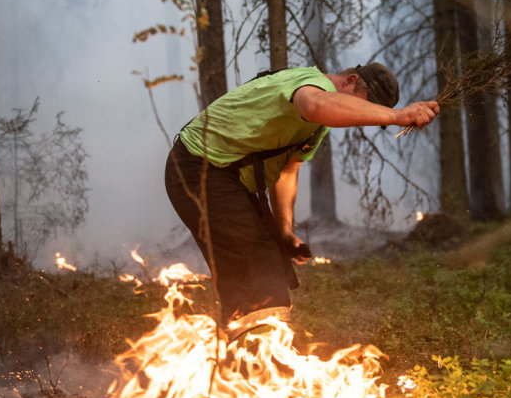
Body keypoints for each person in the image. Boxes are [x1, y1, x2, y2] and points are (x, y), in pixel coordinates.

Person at [164, 63, 439, 336]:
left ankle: (257, 351)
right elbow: (315, 105)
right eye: (362, 107)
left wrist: (284, 231)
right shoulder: (309, 82)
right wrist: (395, 116)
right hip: (198, 167)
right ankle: (257, 351)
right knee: (255, 259)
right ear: (350, 81)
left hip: (229, 180)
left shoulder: (317, 126)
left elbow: (287, 170)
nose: (356, 118)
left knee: (270, 262)